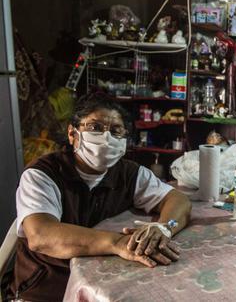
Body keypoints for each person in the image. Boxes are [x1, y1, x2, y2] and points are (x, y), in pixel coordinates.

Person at [5, 94, 192, 301]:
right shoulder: (43, 174)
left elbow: (177, 200)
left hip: (106, 283)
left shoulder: (128, 173)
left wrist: (165, 227)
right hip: (47, 288)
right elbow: (41, 235)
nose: (106, 138)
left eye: (115, 131)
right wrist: (116, 243)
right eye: (95, 128)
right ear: (72, 134)